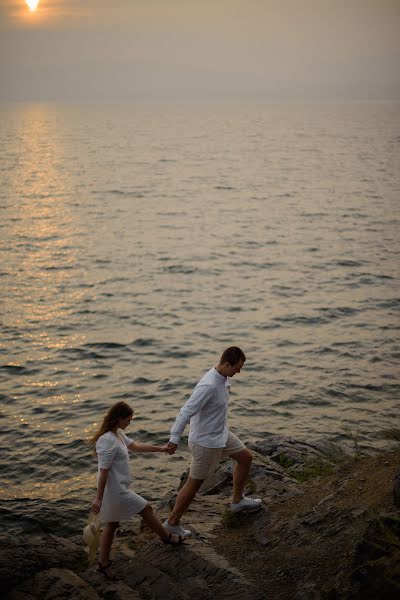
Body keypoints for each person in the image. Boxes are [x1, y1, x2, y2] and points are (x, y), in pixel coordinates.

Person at [163, 346, 262, 538]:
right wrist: (174, 438)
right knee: (194, 484)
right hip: (205, 442)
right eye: (237, 368)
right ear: (226, 364)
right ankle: (172, 523)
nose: (239, 372)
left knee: (245, 458)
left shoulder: (224, 379)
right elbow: (186, 411)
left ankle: (236, 501)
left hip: (221, 435)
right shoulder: (208, 385)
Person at [90, 401, 185, 581]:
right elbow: (103, 473)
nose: (129, 423)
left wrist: (161, 449)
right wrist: (98, 499)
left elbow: (135, 446)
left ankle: (103, 564)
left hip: (120, 488)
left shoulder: (117, 433)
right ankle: (166, 537)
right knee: (145, 509)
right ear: (118, 419)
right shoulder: (106, 441)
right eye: (128, 420)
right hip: (115, 491)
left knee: (112, 525)